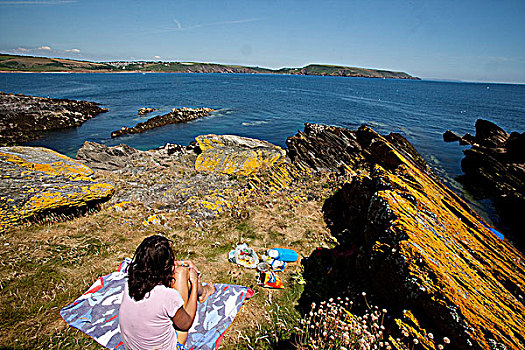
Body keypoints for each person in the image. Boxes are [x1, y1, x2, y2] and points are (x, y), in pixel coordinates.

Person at [119, 235, 215, 350]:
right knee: (181, 275)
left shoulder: (130, 283)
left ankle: (203, 291)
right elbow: (186, 324)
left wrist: (183, 263)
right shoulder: (167, 296)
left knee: (181, 272)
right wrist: (194, 283)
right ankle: (202, 291)